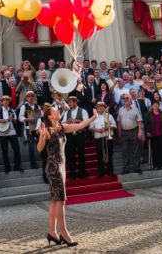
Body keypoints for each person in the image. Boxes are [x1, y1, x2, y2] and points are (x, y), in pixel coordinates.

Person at [36, 103, 96, 247]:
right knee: (61, 200)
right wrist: (42, 137)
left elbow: (80, 126)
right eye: (55, 110)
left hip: (60, 167)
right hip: (54, 168)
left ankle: (52, 232)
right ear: (50, 116)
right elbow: (39, 149)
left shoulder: (62, 127)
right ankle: (64, 234)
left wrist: (93, 117)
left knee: (55, 200)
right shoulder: (48, 130)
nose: (58, 111)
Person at [0, 95, 22, 173]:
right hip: (3, 132)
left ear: (8, 102)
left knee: (16, 149)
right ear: (2, 102)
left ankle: (17, 166)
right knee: (4, 150)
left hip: (12, 132)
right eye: (4, 100)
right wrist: (1, 120)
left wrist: (13, 119)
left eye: (7, 100)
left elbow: (16, 122)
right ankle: (7, 167)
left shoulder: (12, 111)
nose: (5, 101)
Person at [62, 96, 88, 179]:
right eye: (69, 102)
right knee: (70, 155)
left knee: (81, 154)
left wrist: (77, 121)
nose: (69, 104)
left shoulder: (83, 111)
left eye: (70, 102)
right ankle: (72, 174)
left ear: (75, 102)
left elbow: (86, 123)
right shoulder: (66, 112)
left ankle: (82, 173)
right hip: (69, 136)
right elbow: (62, 124)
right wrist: (67, 121)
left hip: (80, 135)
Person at [117, 94, 144, 174]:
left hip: (134, 131)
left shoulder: (135, 109)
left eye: (127, 98)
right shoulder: (120, 109)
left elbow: (139, 121)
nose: (125, 100)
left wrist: (140, 131)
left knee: (136, 150)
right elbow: (118, 122)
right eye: (124, 99)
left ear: (130, 99)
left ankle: (137, 167)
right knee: (124, 150)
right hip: (124, 132)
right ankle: (126, 168)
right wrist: (119, 132)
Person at [89, 101, 116, 177]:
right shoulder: (94, 117)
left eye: (101, 106)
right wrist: (97, 130)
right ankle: (101, 172)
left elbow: (115, 125)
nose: (99, 108)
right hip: (99, 138)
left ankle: (110, 172)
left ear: (104, 108)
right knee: (100, 156)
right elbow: (90, 128)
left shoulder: (109, 116)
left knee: (109, 155)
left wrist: (108, 127)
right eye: (97, 107)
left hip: (108, 138)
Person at [144, 101, 162, 170]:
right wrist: (147, 132)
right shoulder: (148, 114)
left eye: (157, 105)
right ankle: (155, 165)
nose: (155, 106)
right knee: (154, 150)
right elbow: (146, 124)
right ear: (152, 106)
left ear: (159, 106)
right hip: (153, 135)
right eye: (154, 105)